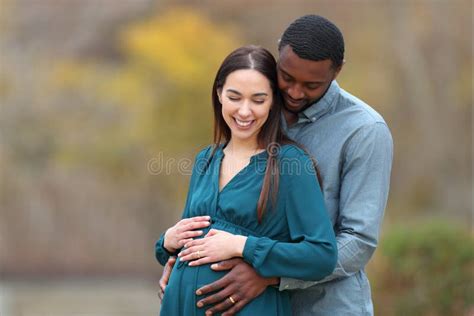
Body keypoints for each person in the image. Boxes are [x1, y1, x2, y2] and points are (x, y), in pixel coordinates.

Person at [159, 15, 393, 316]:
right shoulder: (258, 105)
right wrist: (179, 261)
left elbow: (358, 242)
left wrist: (271, 276)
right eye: (287, 78)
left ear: (337, 71)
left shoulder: (364, 130)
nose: (295, 93)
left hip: (325, 306)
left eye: (312, 85)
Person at [155, 45, 338, 315]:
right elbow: (190, 241)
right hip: (180, 306)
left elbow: (322, 256)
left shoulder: (290, 164)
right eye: (235, 97)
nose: (244, 111)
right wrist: (167, 242)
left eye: (258, 99)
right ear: (219, 94)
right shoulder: (205, 159)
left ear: (273, 101)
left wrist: (241, 245)